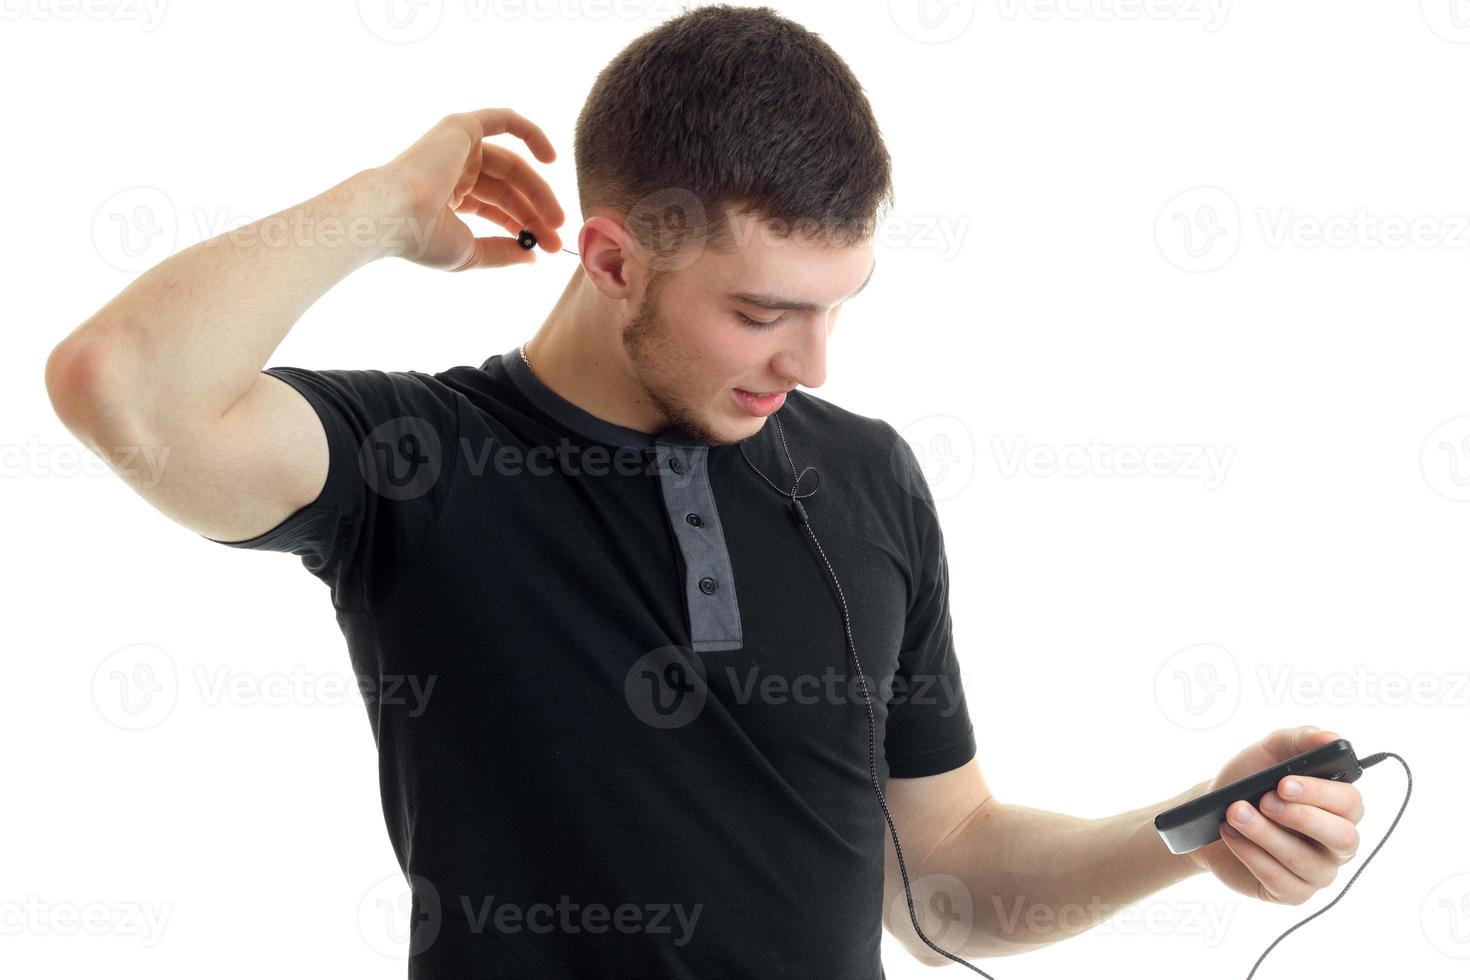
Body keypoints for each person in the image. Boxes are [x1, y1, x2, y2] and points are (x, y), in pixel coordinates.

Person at [45, 6, 1365, 977]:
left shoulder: (864, 473)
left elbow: (944, 883)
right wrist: (384, 207)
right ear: (609, 262)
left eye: (837, 307)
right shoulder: (419, 461)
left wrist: (1193, 834)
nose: (809, 362)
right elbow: (123, 384)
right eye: (759, 313)